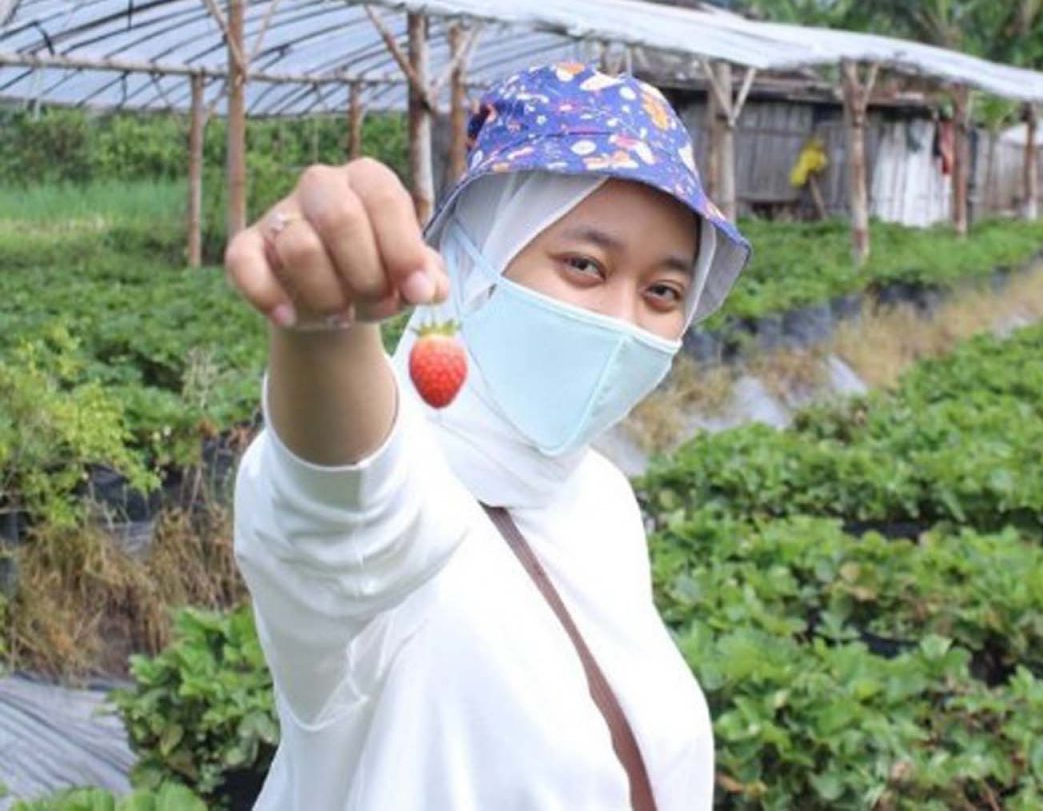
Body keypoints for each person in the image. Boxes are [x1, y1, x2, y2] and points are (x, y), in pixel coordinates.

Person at [225, 61, 750, 810]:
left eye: (663, 291)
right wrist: (327, 331)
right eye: (584, 265)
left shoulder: (597, 498)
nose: (622, 321)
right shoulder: (405, 499)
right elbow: (343, 505)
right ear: (474, 260)